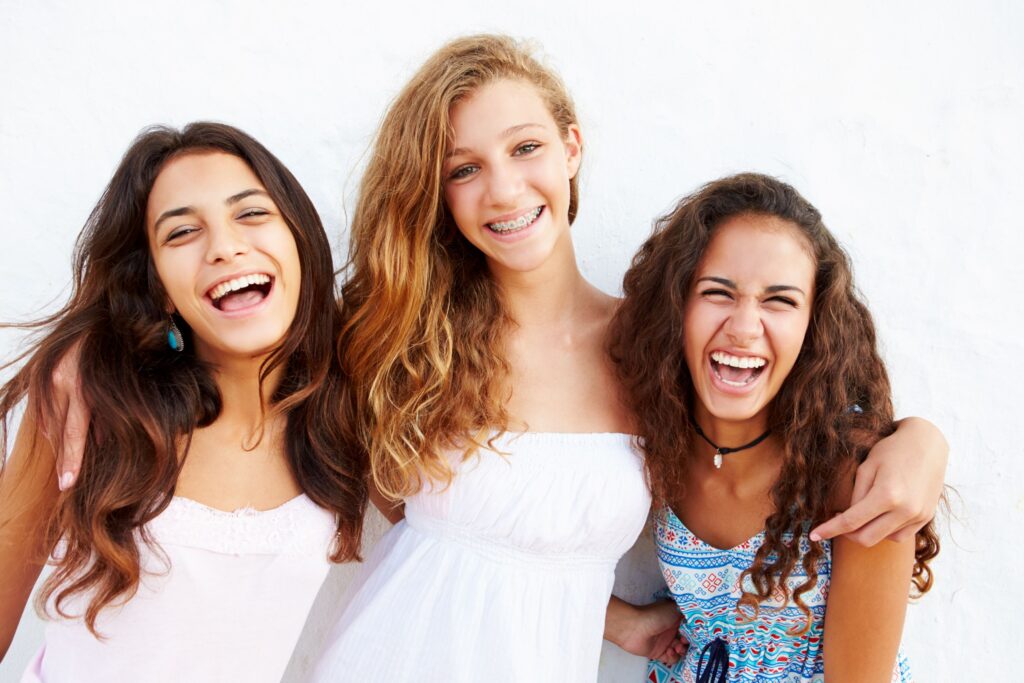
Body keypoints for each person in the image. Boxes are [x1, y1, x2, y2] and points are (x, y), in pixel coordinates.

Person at [308, 36, 948, 681]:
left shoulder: (652, 349)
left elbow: (781, 418)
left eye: (525, 147)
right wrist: (618, 619)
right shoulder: (415, 341)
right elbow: (414, 512)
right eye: (463, 168)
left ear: (571, 149)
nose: (503, 189)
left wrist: (921, 439)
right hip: (391, 651)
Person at [0, 122, 366, 681]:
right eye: (181, 233)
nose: (224, 247)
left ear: (299, 240)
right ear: (159, 289)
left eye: (250, 213)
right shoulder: (90, 406)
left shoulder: (344, 405)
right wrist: (82, 348)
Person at [607, 173, 940, 682]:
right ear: (676, 305)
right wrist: (621, 622)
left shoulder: (859, 477)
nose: (743, 328)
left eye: (779, 301)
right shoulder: (657, 437)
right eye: (718, 292)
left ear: (814, 327)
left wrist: (924, 435)